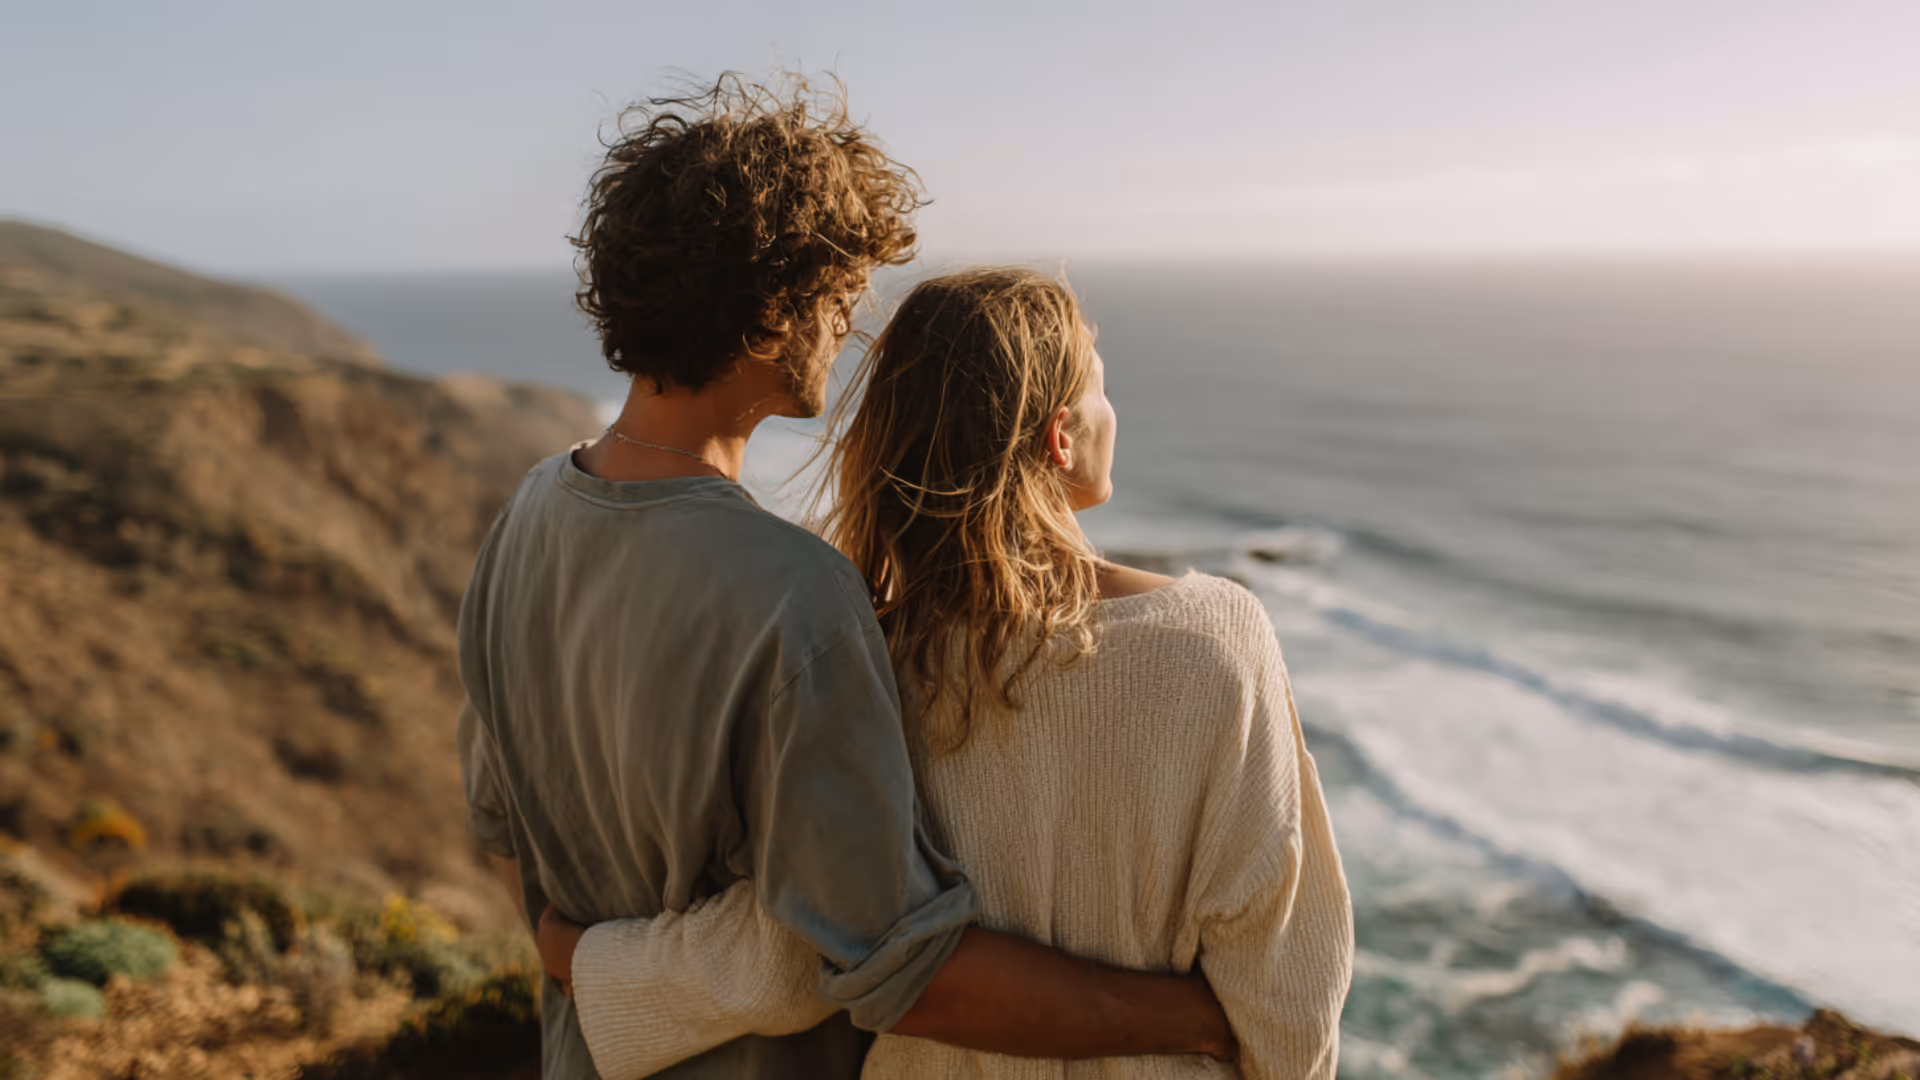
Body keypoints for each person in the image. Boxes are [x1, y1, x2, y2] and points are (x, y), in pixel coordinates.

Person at [455, 76, 1239, 1080]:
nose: (853, 319)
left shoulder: (523, 517)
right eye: (839, 290)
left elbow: (502, 829)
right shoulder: (792, 595)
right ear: (773, 308)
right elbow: (905, 965)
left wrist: (586, 957)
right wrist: (1199, 1017)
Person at [535, 267, 1356, 1079]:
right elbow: (1291, 989)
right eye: (1101, 387)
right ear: (1060, 436)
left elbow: (798, 951)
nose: (1116, 412)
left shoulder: (863, 658)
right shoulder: (1215, 642)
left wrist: (590, 960)